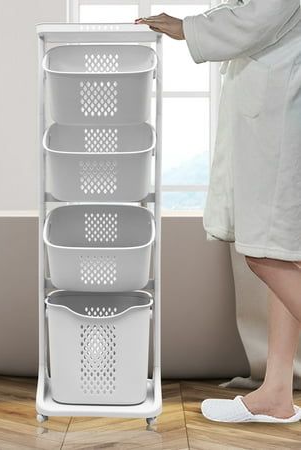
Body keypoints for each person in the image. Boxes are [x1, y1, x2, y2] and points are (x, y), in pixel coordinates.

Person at [137, 0, 301, 424]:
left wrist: (188, 27)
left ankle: (277, 391)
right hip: (274, 97)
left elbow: (262, 14)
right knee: (282, 252)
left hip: (284, 109)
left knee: (264, 252)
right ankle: (276, 392)